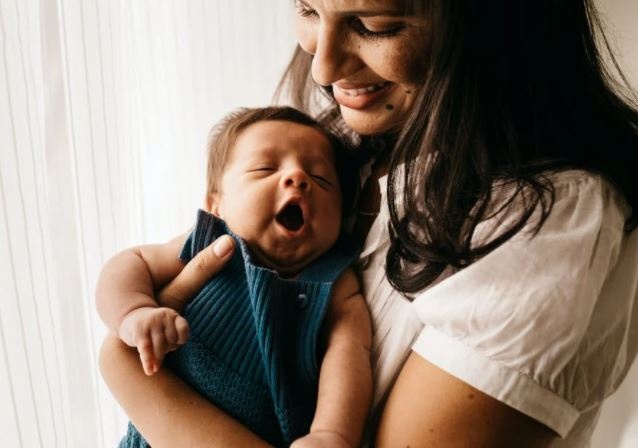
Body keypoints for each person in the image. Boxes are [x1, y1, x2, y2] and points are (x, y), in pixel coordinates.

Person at [99, 0, 638, 446]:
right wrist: (134, 312)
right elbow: (139, 267)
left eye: (376, 26)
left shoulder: (548, 223)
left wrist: (127, 373)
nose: (322, 69)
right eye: (308, 8)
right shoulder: (346, 148)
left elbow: (343, 350)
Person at [96, 107, 372, 448]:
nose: (298, 178)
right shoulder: (208, 243)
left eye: (321, 179)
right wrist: (133, 312)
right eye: (265, 169)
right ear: (216, 204)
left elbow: (350, 352)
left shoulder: (334, 280)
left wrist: (331, 434)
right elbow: (129, 262)